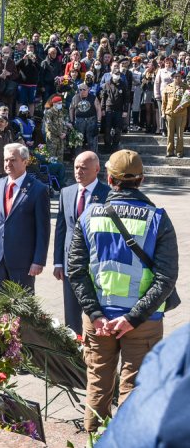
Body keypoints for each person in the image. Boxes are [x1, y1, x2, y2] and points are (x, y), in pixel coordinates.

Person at [67, 149, 180, 434]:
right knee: (136, 391)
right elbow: (166, 278)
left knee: (98, 386)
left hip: (98, 323)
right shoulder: (158, 219)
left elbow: (76, 270)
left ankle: (93, 438)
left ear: (109, 177)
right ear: (141, 180)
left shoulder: (89, 215)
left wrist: (95, 313)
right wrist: (133, 318)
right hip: (142, 324)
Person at [0, 143, 50, 296]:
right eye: (5, 160)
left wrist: (38, 260)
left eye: (13, 160)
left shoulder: (38, 189)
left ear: (25, 161)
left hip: (23, 260)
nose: (7, 164)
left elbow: (43, 229)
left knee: (23, 310)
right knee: (0, 308)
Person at [53, 151, 110, 334]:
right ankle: (73, 354)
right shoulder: (66, 192)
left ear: (97, 169)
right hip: (71, 263)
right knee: (71, 314)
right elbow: (61, 229)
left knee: (95, 312)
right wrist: (58, 262)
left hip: (96, 264)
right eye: (76, 167)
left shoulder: (108, 194)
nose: (78, 171)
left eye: (84, 168)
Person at [162, 70, 189, 157]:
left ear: (181, 77)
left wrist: (182, 106)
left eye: (179, 76)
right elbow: (164, 102)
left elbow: (188, 100)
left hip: (181, 114)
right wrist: (163, 112)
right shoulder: (168, 87)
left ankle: (179, 151)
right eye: (175, 76)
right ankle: (169, 151)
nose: (177, 78)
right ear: (173, 78)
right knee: (170, 134)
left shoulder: (185, 87)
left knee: (180, 134)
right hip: (169, 113)